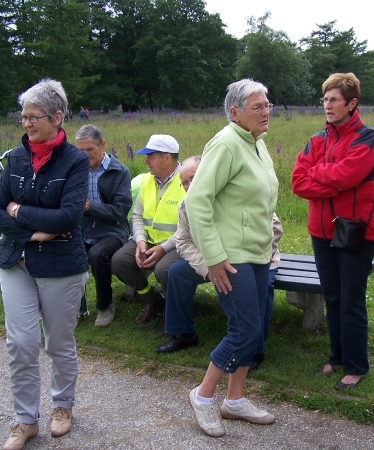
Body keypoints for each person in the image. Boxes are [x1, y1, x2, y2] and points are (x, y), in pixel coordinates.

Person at [0, 78, 89, 450]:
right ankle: (25, 420)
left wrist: (20, 212)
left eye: (34, 117)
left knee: (59, 342)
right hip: (16, 260)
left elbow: (67, 218)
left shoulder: (76, 161)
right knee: (21, 342)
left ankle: (62, 406)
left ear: (57, 116)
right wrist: (31, 231)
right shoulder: (15, 157)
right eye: (24, 117)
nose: (27, 124)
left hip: (62, 265)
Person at [185, 79, 278, 438]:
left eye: (268, 104)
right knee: (244, 331)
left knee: (255, 330)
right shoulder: (225, 143)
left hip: (257, 253)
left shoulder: (257, 143)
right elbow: (197, 201)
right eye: (258, 106)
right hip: (230, 257)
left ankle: (235, 400)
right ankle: (203, 395)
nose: (266, 111)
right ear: (235, 112)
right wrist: (213, 256)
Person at [291, 73, 374, 391]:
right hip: (321, 230)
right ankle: (338, 356)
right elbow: (298, 181)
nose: (327, 105)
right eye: (325, 99)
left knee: (351, 299)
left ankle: (356, 366)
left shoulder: (366, 137)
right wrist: (333, 181)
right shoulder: (317, 139)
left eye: (334, 100)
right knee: (331, 294)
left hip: (355, 230)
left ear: (351, 103)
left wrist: (322, 176)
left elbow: (351, 173)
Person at [154, 156, 283, 373]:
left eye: (193, 179)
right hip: (213, 263)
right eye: (184, 182)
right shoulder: (186, 206)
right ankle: (183, 333)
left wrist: (261, 252)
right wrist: (209, 267)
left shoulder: (235, 194)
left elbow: (274, 226)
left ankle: (255, 349)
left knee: (263, 288)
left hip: (256, 259)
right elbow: (183, 241)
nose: (189, 186)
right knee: (176, 271)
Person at [111, 134, 184, 323]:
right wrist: (141, 241)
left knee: (164, 270)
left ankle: (174, 310)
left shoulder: (187, 181)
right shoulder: (147, 181)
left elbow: (191, 226)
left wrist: (163, 248)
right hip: (149, 241)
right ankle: (152, 299)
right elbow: (136, 215)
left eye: (150, 156)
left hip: (179, 244)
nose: (145, 162)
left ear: (166, 158)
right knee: (120, 261)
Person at [75, 124, 132, 327]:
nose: (84, 155)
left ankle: (105, 306)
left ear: (103, 145)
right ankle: (75, 307)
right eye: (80, 150)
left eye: (90, 149)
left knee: (97, 254)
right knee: (67, 251)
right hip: (81, 228)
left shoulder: (119, 171)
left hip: (113, 230)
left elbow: (120, 211)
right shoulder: (75, 170)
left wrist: (90, 208)